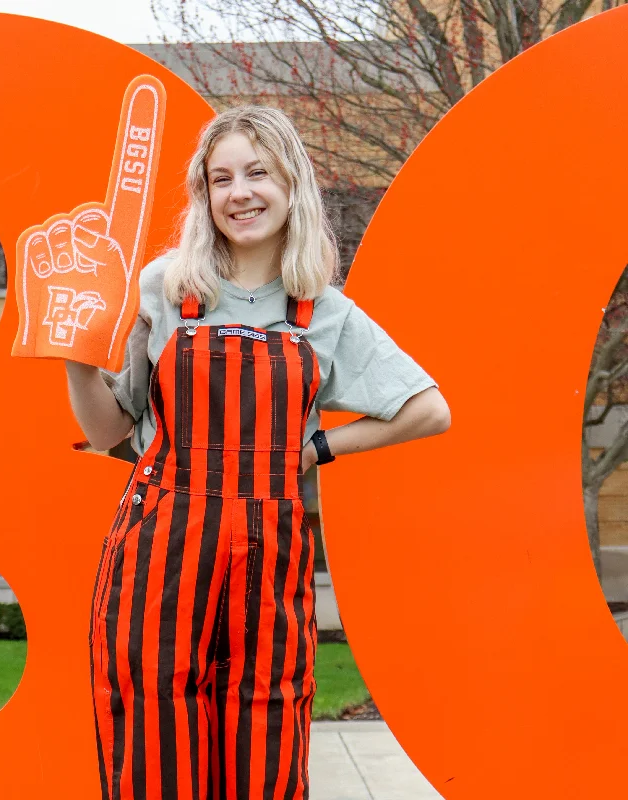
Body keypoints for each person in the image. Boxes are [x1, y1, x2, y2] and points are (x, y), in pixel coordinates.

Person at [66, 105, 450, 800]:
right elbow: (106, 431)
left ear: (292, 185)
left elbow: (429, 410)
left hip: (268, 559)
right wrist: (74, 362)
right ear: (204, 196)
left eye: (257, 173)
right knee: (152, 739)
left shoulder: (321, 311)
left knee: (265, 741)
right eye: (221, 179)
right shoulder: (162, 288)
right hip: (158, 550)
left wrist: (318, 448)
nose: (239, 192)